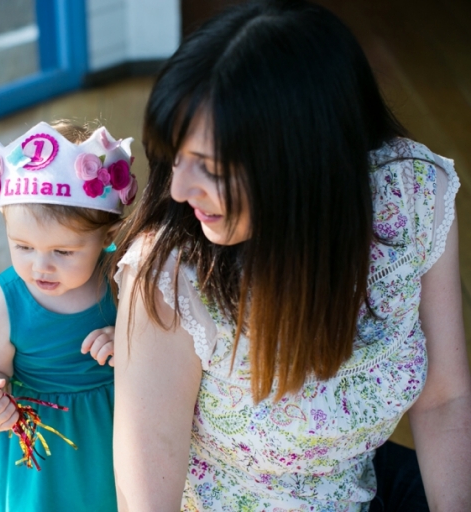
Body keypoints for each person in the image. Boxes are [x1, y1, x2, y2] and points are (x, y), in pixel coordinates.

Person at [110, 1, 471, 510]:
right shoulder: (170, 276)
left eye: (210, 168)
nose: (178, 190)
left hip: (362, 485)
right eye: (174, 157)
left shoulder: (411, 198)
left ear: (301, 162)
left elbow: (444, 399)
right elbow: (146, 499)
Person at [0, 120, 138, 512]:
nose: (40, 266)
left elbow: (160, 345)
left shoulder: (124, 283)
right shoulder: (3, 307)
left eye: (63, 252)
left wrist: (129, 338)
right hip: (45, 447)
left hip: (118, 433)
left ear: (107, 237)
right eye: (22, 246)